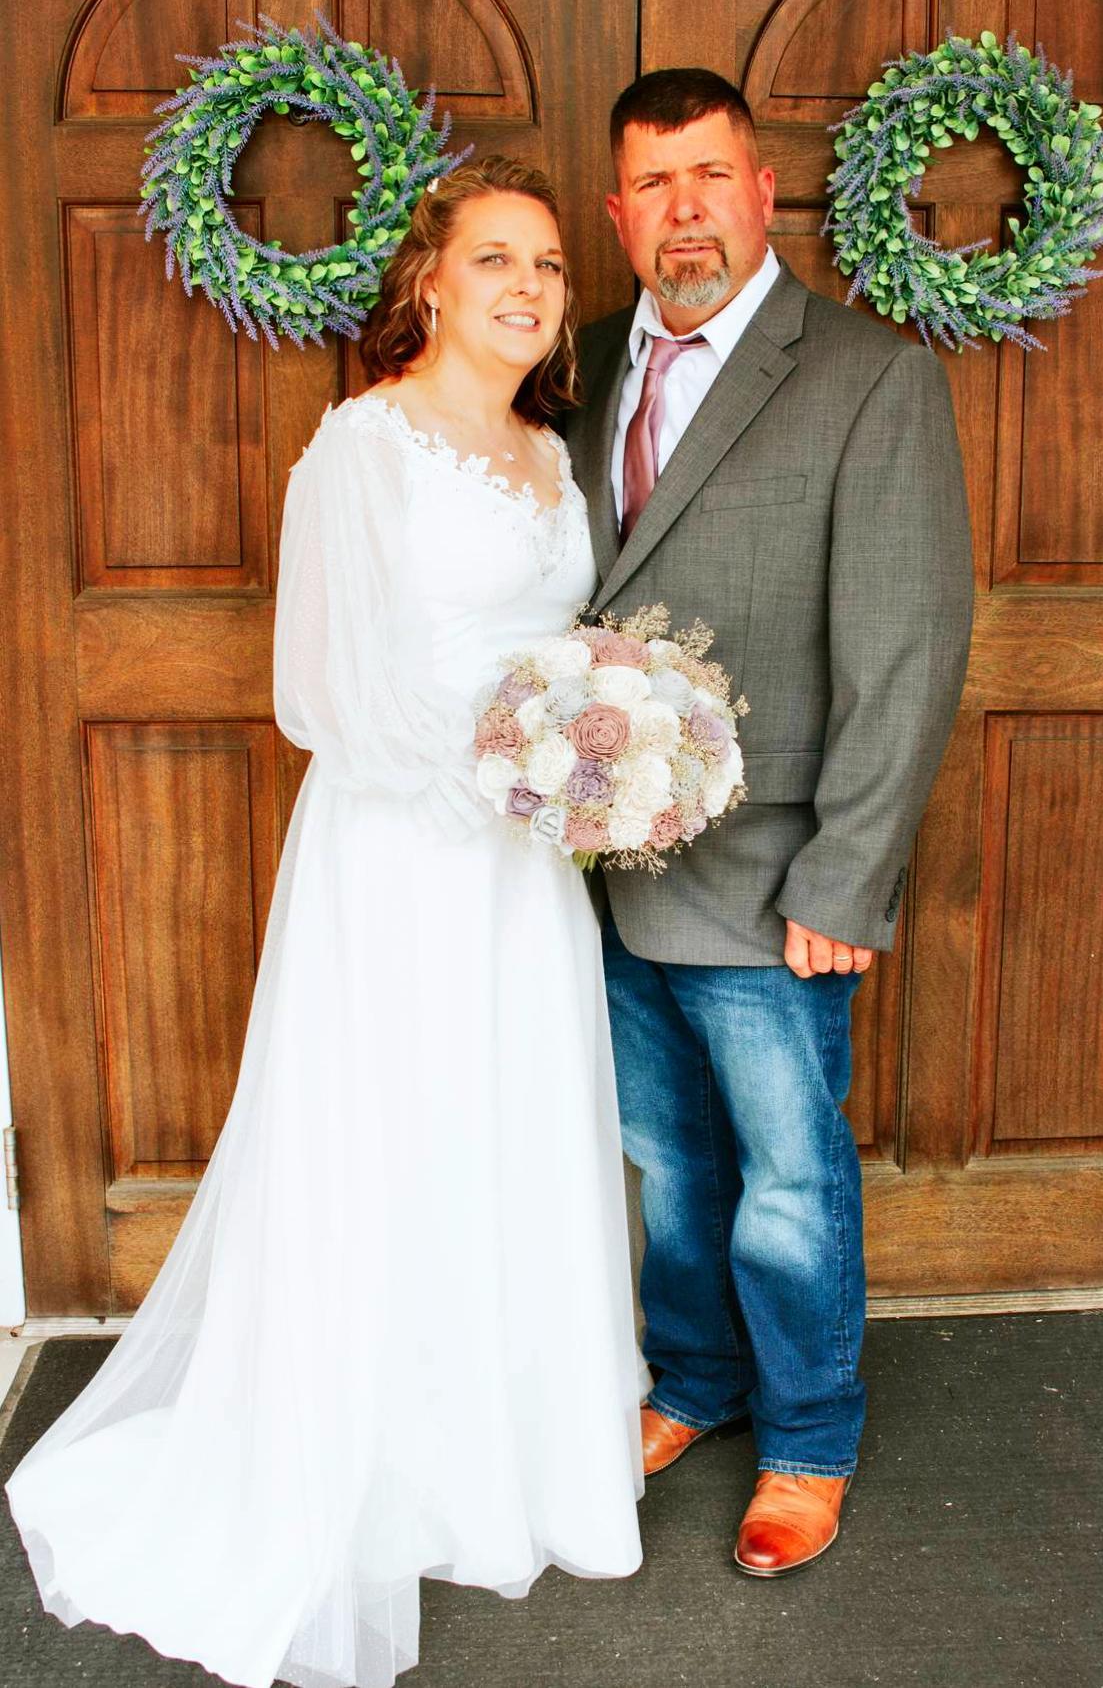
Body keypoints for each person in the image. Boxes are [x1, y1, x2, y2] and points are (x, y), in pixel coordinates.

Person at [6, 157, 643, 1688]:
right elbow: (324, 689)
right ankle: (368, 1456)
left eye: (550, 265)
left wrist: (598, 752)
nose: (530, 288)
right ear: (429, 281)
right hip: (407, 852)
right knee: (396, 1131)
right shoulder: (362, 447)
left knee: (508, 1131)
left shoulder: (556, 455)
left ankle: (503, 1451)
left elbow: (564, 643)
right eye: (497, 258)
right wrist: (498, 773)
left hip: (526, 871)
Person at [566, 69, 974, 1574]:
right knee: (669, 1167)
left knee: (791, 1180)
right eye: (655, 185)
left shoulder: (869, 373)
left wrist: (849, 877)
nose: (686, 211)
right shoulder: (589, 358)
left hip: (776, 876)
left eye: (711, 176)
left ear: (763, 192)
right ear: (619, 214)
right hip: (605, 870)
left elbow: (907, 645)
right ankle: (697, 1383)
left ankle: (808, 1441)